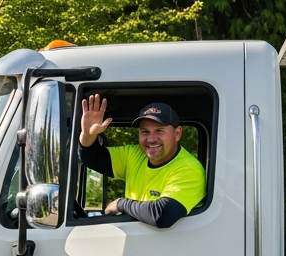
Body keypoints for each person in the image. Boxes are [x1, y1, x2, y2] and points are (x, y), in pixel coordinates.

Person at [78, 96, 206, 228]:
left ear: (177, 133)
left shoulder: (189, 169)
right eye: (145, 132)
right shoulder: (135, 154)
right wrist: (88, 135)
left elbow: (163, 215)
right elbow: (91, 158)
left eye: (159, 131)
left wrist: (120, 204)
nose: (151, 139)